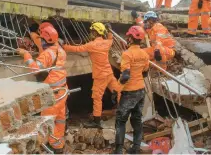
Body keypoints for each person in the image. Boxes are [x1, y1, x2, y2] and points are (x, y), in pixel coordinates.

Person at [17, 23, 68, 154]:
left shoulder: (47, 54)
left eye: (42, 39)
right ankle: (58, 146)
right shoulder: (60, 49)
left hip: (53, 96)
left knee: (46, 122)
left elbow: (35, 69)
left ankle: (50, 147)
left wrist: (26, 54)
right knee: (60, 120)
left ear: (45, 40)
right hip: (63, 92)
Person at [63, 22, 121, 128]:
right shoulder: (107, 43)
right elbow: (110, 39)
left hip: (100, 76)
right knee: (118, 91)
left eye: (92, 32)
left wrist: (63, 45)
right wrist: (109, 31)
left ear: (95, 32)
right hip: (109, 73)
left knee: (97, 98)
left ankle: (96, 121)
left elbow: (76, 49)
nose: (91, 34)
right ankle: (123, 112)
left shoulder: (92, 45)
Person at [114, 26, 149, 154]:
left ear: (131, 38)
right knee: (137, 119)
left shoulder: (127, 54)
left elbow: (125, 76)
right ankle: (135, 148)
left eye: (128, 37)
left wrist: (116, 89)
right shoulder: (144, 54)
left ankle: (118, 151)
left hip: (129, 92)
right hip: (141, 90)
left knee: (120, 120)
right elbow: (145, 72)